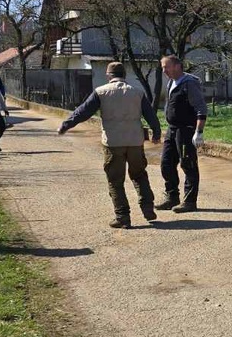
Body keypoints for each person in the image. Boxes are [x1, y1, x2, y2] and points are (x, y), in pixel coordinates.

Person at [57, 62, 162, 229]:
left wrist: (66, 125)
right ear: (124, 75)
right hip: (135, 142)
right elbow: (150, 115)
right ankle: (147, 208)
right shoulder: (137, 92)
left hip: (113, 143)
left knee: (115, 180)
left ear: (108, 75)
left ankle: (122, 217)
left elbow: (83, 112)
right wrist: (156, 132)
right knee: (139, 175)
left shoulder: (101, 92)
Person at [158, 55, 206, 213]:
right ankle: (172, 197)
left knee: (188, 164)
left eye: (166, 67)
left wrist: (199, 132)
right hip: (172, 129)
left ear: (177, 66)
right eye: (162, 67)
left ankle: (190, 201)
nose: (164, 70)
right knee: (166, 164)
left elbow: (201, 108)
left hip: (185, 130)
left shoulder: (189, 83)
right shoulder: (171, 82)